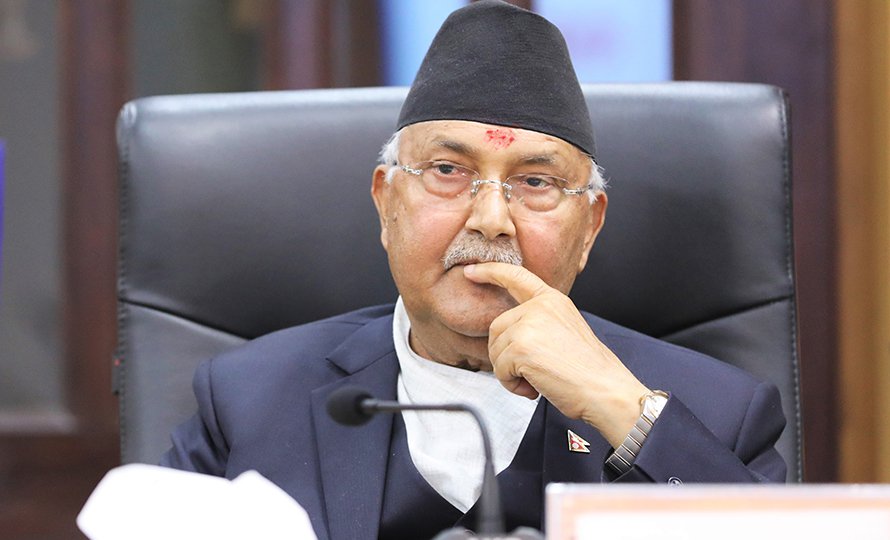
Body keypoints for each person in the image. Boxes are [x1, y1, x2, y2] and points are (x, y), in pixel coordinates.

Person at [161, 1, 787, 538]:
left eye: (535, 182)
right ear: (386, 204)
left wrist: (628, 416)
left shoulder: (720, 414)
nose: (491, 220)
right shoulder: (248, 400)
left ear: (589, 228)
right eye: (447, 171)